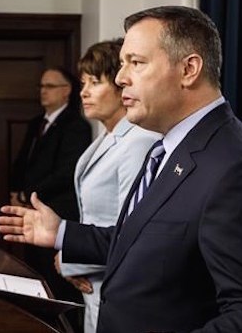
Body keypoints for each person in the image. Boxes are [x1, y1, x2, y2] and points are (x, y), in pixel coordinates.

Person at [0, 6, 242, 332]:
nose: (122, 78)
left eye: (136, 63)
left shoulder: (241, 169)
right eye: (123, 64)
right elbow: (141, 238)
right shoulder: (165, 146)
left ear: (189, 69)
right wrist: (62, 232)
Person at [54, 39, 160, 333]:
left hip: (121, 291)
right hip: (97, 285)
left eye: (95, 82)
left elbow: (133, 233)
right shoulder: (106, 138)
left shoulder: (139, 142)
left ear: (120, 86)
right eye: (83, 82)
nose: (84, 92)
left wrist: (71, 260)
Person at [9, 67, 91, 329]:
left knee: (57, 286)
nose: (43, 91)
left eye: (50, 86)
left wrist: (27, 194)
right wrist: (15, 191)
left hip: (57, 212)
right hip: (30, 212)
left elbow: (65, 172)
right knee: (35, 276)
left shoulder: (76, 125)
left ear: (67, 91)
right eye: (41, 86)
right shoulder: (37, 122)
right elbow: (23, 161)